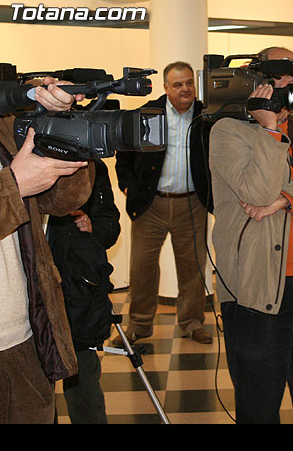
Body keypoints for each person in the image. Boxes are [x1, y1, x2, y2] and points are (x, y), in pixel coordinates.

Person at [209, 46, 293, 424]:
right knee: (259, 401)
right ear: (261, 81)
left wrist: (285, 200)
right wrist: (269, 129)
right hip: (256, 289)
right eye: (287, 73)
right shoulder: (227, 131)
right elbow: (256, 193)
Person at [0, 78, 94, 424]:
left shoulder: (6, 125)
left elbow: (63, 201)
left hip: (24, 334)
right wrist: (13, 186)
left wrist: (61, 125)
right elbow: (16, 188)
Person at [114, 61, 213, 346]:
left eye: (189, 83)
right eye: (178, 84)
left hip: (192, 205)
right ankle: (139, 325)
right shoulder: (146, 114)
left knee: (193, 268)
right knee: (142, 268)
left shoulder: (207, 117)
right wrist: (128, 187)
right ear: (166, 88)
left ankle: (192, 323)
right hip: (151, 206)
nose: (185, 89)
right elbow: (124, 154)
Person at [48, 158, 120, 424]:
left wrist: (93, 229)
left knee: (83, 379)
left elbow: (110, 224)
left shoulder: (92, 167)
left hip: (78, 293)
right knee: (34, 391)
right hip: (31, 290)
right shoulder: (24, 164)